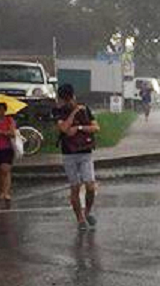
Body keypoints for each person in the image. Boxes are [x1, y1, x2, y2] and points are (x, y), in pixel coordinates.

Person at [53, 84, 101, 231]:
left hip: (85, 151)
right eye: (65, 100)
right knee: (75, 187)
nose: (67, 102)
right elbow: (64, 129)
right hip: (69, 153)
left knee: (90, 186)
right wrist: (73, 113)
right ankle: (80, 218)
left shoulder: (85, 109)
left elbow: (96, 127)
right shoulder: (59, 112)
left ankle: (87, 212)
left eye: (68, 99)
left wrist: (80, 128)